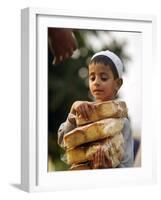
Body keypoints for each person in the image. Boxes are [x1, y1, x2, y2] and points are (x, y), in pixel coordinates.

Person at [57, 50, 134, 169]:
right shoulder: (83, 112)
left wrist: (106, 168)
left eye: (103, 78)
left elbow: (128, 166)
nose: (96, 82)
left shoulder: (123, 123)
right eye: (92, 78)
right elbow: (63, 141)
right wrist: (73, 111)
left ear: (117, 84)